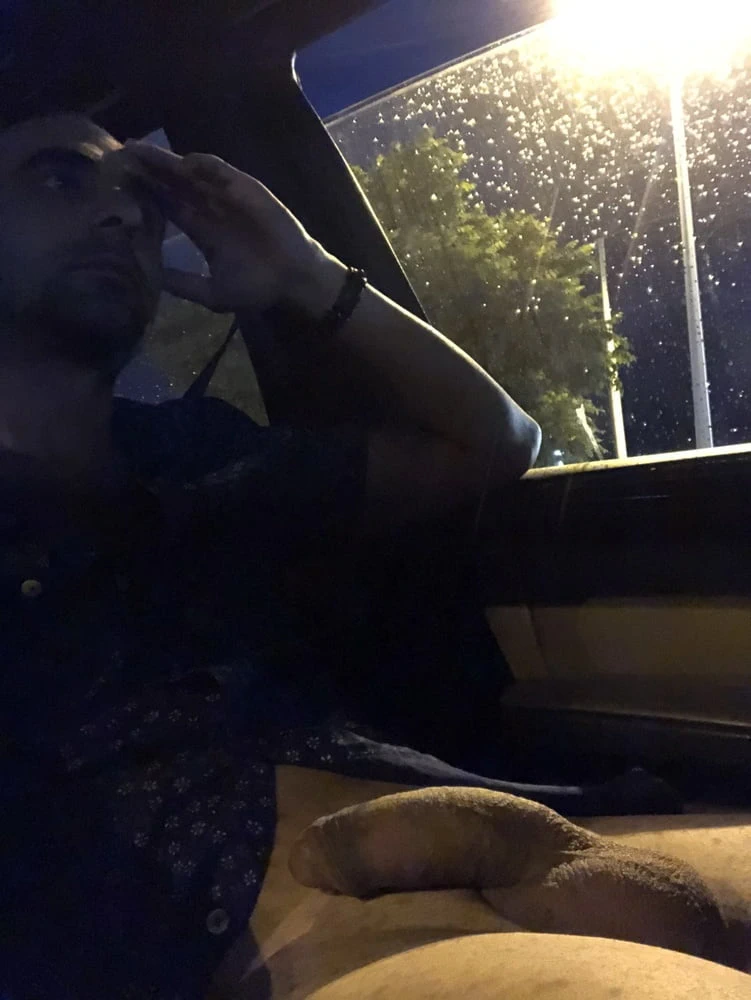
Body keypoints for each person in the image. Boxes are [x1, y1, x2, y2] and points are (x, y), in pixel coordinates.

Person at [0, 114, 704, 1000]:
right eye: (60, 179)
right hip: (277, 928)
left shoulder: (197, 453)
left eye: (143, 200)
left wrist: (305, 274)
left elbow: (494, 442)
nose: (125, 217)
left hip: (512, 814)